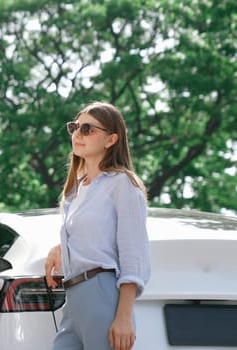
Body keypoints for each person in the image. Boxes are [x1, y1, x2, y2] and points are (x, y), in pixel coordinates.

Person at [44, 102, 151, 350]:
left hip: (101, 293)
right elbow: (95, 236)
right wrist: (59, 248)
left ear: (111, 139)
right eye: (75, 127)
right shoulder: (76, 190)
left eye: (87, 129)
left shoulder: (122, 184)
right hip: (73, 300)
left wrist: (124, 317)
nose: (77, 134)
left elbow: (133, 253)